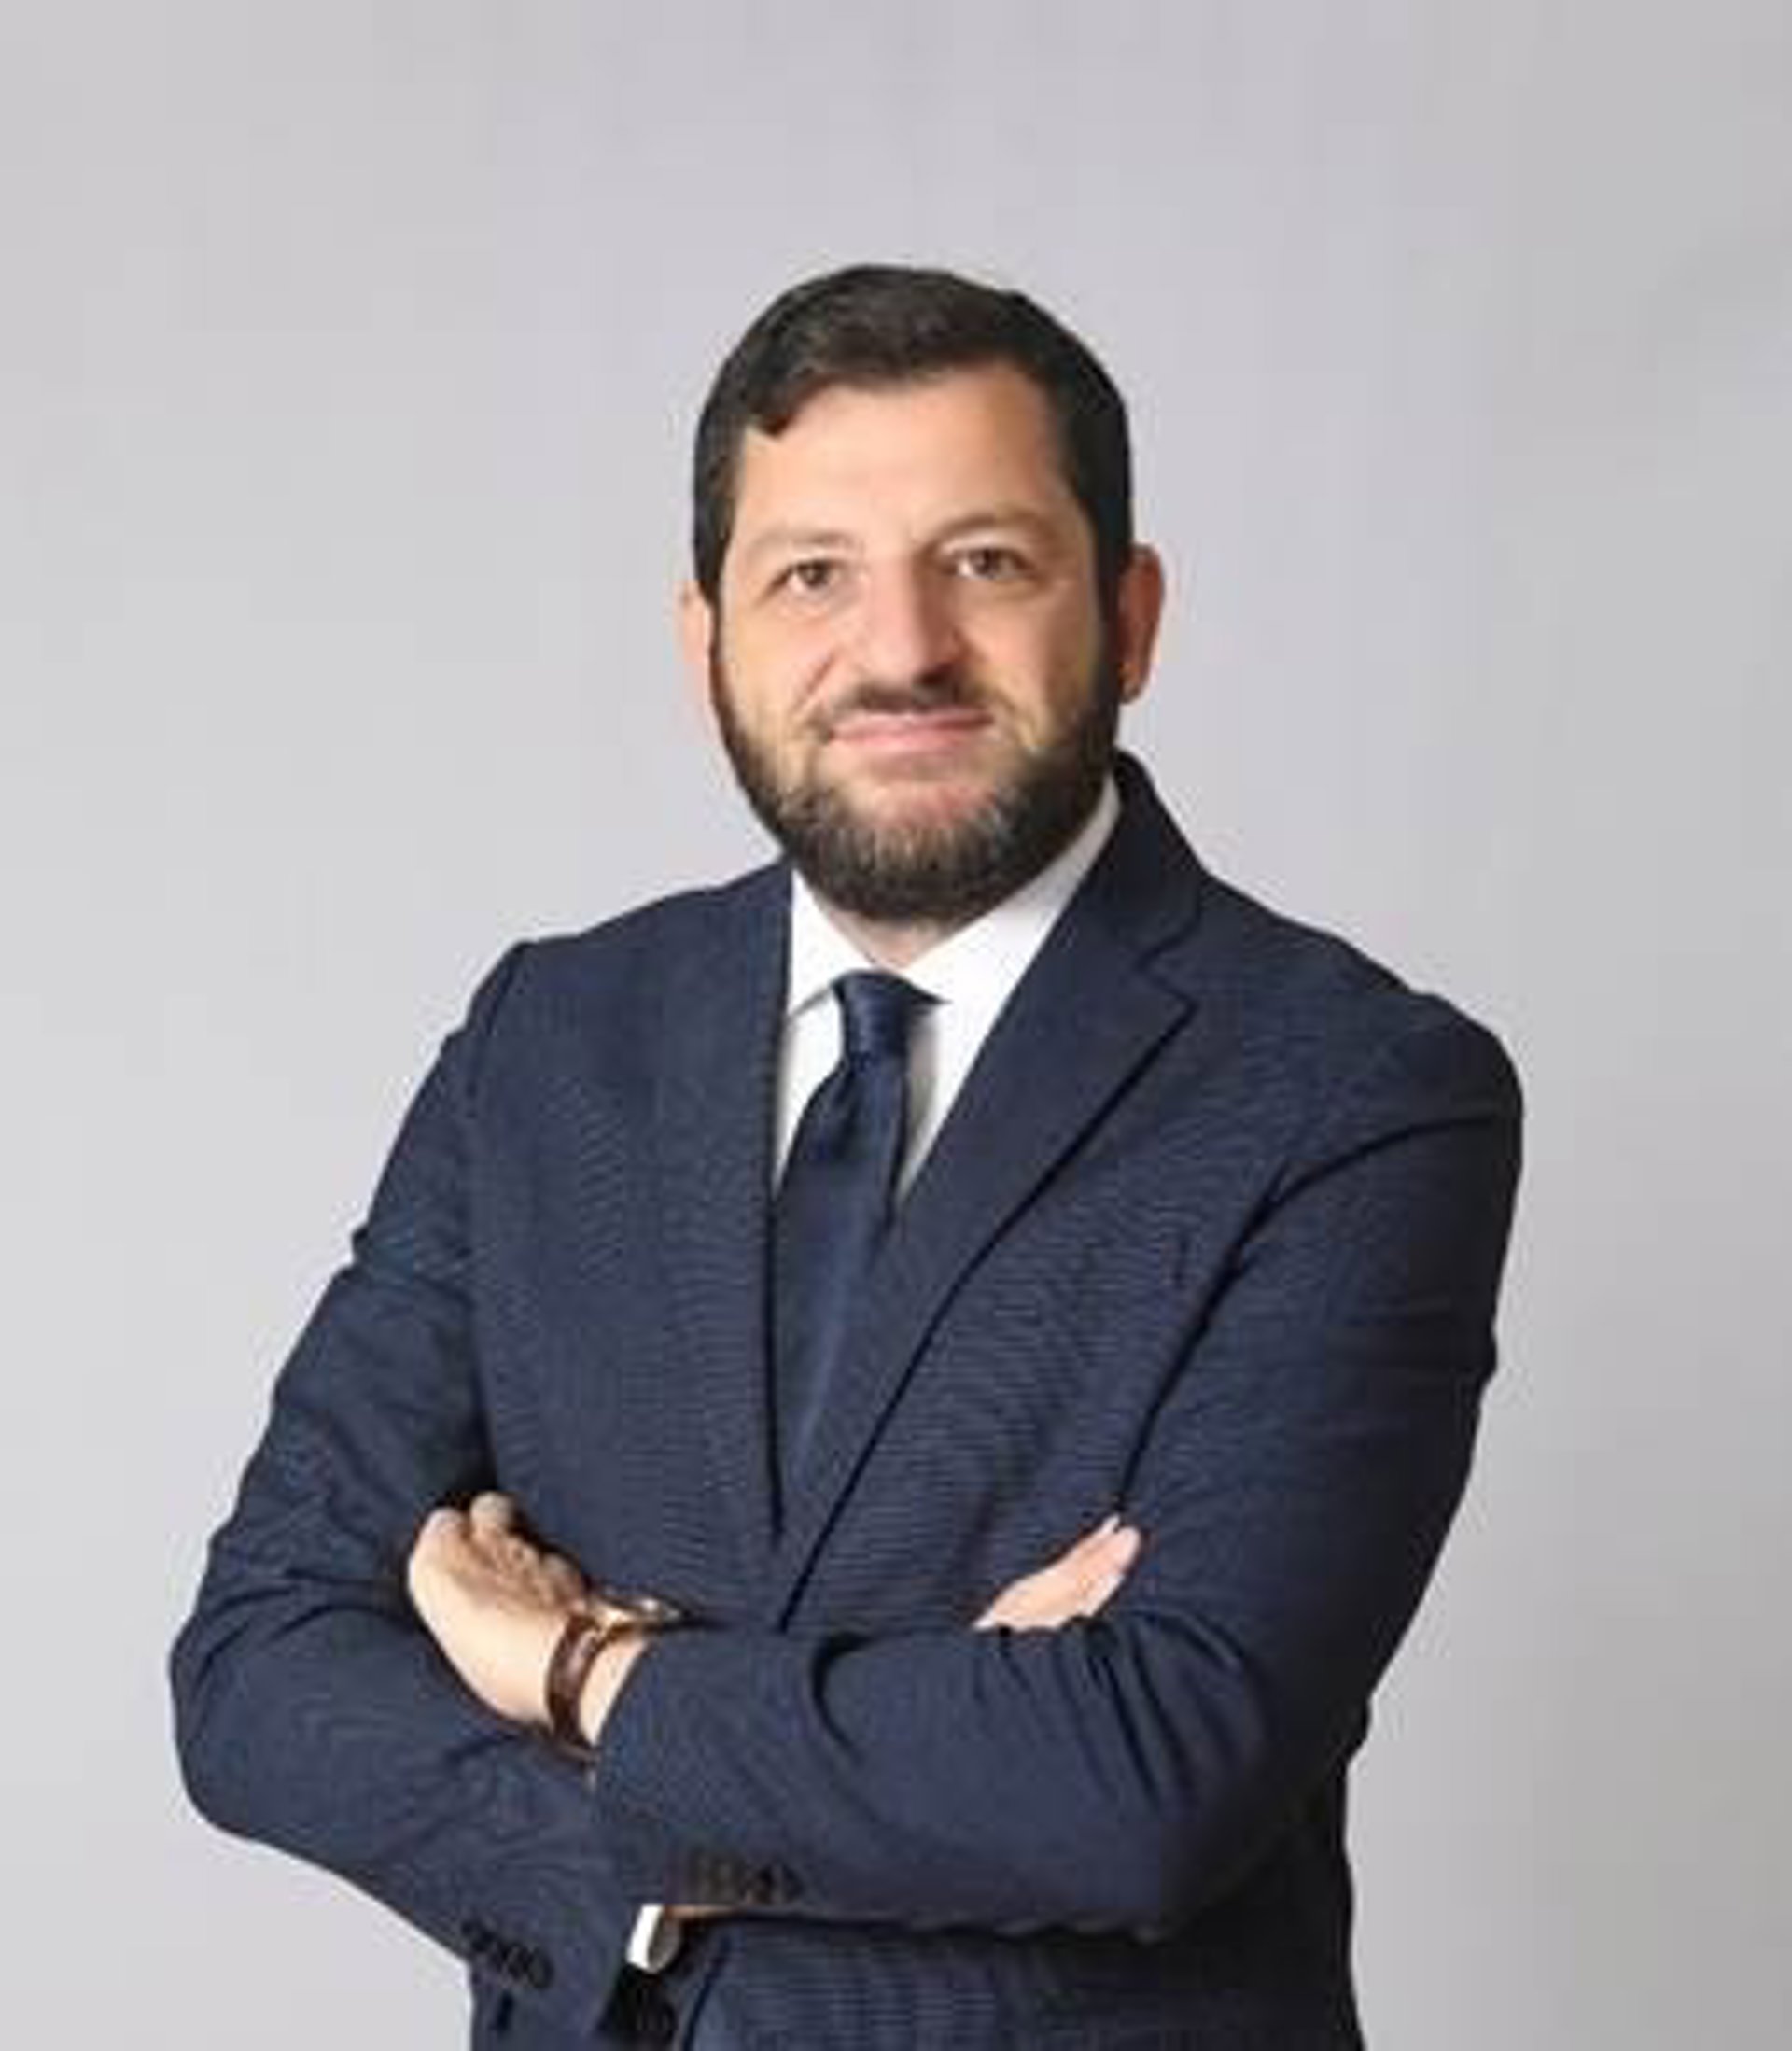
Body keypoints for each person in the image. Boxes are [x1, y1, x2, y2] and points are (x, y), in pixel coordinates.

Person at [171, 263, 1522, 2049]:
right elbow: (261, 1660)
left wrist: (577, 1670)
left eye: (988, 561)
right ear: (705, 644)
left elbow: (1145, 1773)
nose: (899, 651)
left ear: (1130, 617)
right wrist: (674, 1853)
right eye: (812, 573)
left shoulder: (1356, 1091)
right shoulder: (547, 1042)